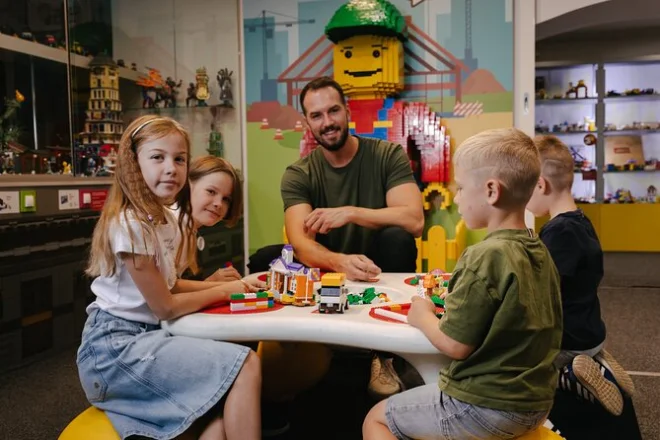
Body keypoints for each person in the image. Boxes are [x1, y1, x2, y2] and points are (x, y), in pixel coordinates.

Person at [363, 128, 563, 440]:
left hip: (486, 405)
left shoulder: (484, 255)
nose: (456, 197)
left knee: (376, 420)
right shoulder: (538, 250)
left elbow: (455, 345)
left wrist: (422, 315)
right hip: (537, 403)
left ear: (491, 191)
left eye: (460, 188)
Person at [77, 115, 262, 440]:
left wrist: (224, 286)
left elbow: (170, 285)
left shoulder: (160, 219)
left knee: (217, 417)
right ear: (133, 164)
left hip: (144, 338)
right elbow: (164, 306)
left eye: (179, 159)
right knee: (246, 363)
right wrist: (228, 290)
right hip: (114, 351)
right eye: (157, 157)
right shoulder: (131, 224)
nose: (171, 168)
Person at [247, 76, 425, 400]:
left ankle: (384, 357)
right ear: (307, 123)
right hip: (325, 266)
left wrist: (351, 212)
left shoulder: (386, 155)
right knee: (263, 258)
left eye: (333, 111)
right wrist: (340, 262)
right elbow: (300, 243)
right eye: (316, 115)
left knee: (398, 239)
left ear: (347, 111)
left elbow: (414, 220)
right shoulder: (299, 173)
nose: (327, 122)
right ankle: (289, 346)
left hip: (377, 263)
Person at [186, 155, 332, 437]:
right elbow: (166, 296)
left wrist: (212, 284)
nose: (218, 203)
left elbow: (174, 287)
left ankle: (253, 411)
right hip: (158, 334)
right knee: (243, 357)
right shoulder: (172, 231)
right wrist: (217, 288)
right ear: (187, 186)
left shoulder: (187, 232)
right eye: (211, 192)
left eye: (225, 199)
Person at [527, 135, 635, 416]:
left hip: (569, 343)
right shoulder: (581, 222)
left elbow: (541, 292)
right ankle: (599, 364)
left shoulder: (558, 233)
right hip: (591, 333)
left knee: (519, 367)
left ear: (541, 185)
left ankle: (570, 377)